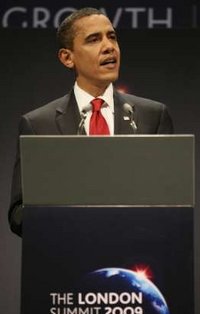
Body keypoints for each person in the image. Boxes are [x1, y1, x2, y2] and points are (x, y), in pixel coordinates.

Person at [8, 7, 173, 236]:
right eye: (93, 40)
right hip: (66, 258)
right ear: (67, 57)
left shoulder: (152, 115)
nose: (109, 46)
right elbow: (18, 215)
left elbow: (172, 202)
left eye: (112, 36)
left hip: (136, 256)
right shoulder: (38, 125)